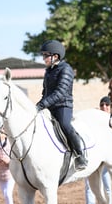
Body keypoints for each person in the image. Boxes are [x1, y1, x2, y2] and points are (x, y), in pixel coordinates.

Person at [36, 40, 87, 170]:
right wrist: (39, 105)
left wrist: (43, 104)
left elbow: (60, 92)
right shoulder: (48, 71)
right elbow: (45, 92)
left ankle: (80, 155)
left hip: (63, 106)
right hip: (49, 106)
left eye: (46, 55)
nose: (44, 58)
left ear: (55, 56)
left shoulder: (66, 69)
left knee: (65, 125)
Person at [85, 96, 112, 204]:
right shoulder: (95, 119)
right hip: (95, 157)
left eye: (107, 105)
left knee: (107, 185)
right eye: (102, 105)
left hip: (108, 158)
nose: (104, 107)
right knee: (90, 185)